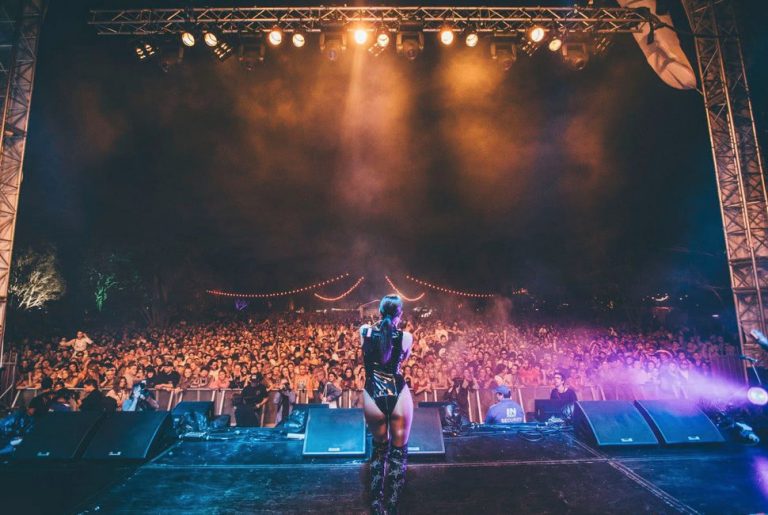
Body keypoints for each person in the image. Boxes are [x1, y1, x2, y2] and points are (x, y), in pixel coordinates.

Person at [361, 295, 413, 515]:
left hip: (373, 393)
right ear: (400, 315)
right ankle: (391, 507)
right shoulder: (407, 336)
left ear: (379, 312)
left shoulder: (364, 331)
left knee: (379, 450)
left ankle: (375, 505)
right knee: (398, 453)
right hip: (398, 393)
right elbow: (403, 360)